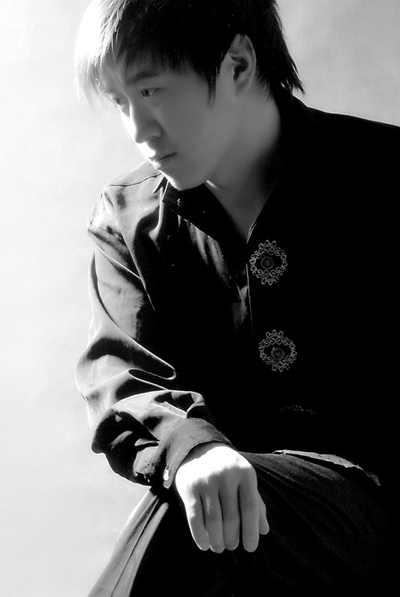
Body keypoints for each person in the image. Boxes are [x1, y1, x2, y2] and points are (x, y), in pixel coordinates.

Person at [75, 1, 399, 595]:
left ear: (239, 64)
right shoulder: (126, 219)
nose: (140, 130)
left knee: (196, 518)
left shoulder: (386, 172)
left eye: (151, 90)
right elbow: (124, 377)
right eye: (121, 102)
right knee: (199, 502)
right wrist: (192, 449)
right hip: (237, 542)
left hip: (385, 518)